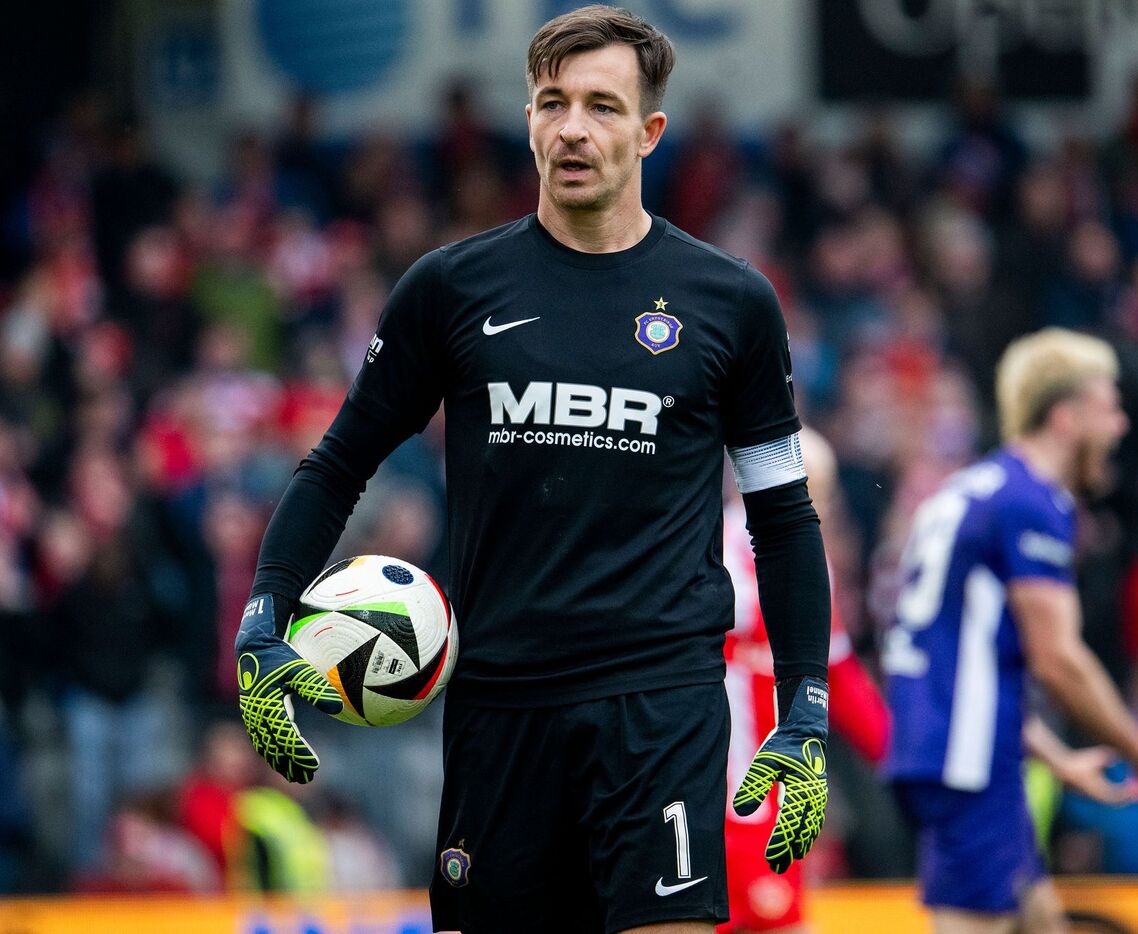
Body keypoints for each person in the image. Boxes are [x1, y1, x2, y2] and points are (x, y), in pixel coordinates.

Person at [232, 7, 832, 933]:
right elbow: (339, 462)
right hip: (500, 705)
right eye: (554, 103)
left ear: (649, 132)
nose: (573, 128)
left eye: (602, 106)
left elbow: (784, 517)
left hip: (660, 706)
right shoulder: (450, 289)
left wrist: (805, 707)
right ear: (528, 120)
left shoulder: (733, 303)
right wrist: (266, 610)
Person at [884, 328, 1138, 934]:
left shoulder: (974, 489)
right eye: (1108, 407)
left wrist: (1058, 758)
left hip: (952, 744)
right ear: (1065, 417)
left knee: (1039, 919)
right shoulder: (1031, 503)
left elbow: (966, 659)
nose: (1120, 425)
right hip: (966, 761)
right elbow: (1058, 659)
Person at [719, 430, 889, 934]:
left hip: (773, 788)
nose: (824, 507)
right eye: (817, 490)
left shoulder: (811, 563)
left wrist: (896, 755)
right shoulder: (715, 551)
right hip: (730, 783)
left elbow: (838, 671)